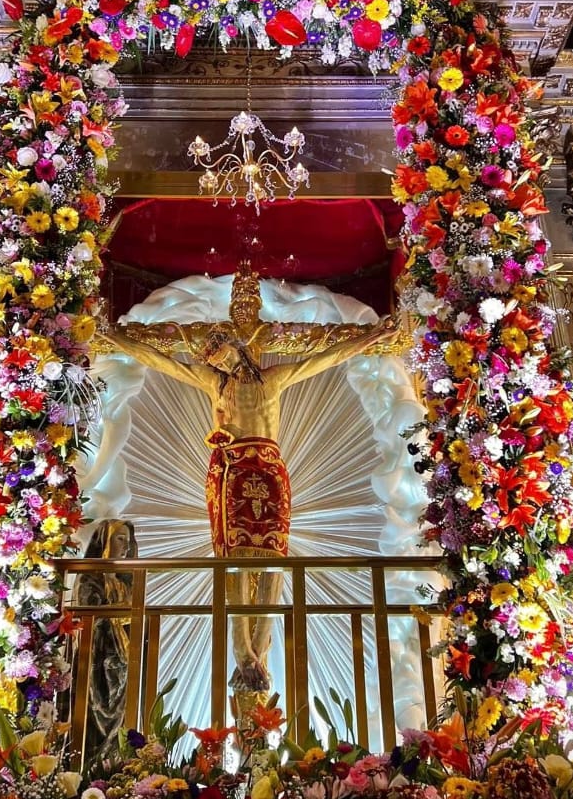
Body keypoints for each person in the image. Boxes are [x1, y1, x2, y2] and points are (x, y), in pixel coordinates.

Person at [108, 317, 396, 691]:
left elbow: (325, 358)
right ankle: (242, 653)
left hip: (271, 474)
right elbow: (164, 362)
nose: (214, 360)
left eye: (218, 351)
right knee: (233, 565)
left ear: (236, 346)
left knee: (276, 560)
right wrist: (114, 337)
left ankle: (259, 650)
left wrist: (372, 335)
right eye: (210, 356)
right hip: (232, 475)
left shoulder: (274, 379)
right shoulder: (217, 385)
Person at [73, 519, 137, 752]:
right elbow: (89, 615)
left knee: (120, 712)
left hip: (121, 655)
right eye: (120, 539)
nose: (126, 547)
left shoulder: (124, 582)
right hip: (97, 655)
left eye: (128, 542)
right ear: (105, 542)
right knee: (94, 710)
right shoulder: (91, 577)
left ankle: (116, 762)